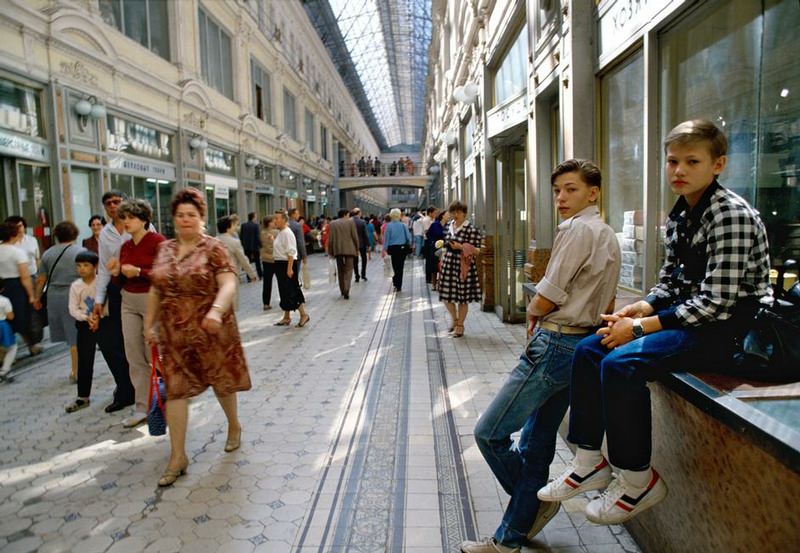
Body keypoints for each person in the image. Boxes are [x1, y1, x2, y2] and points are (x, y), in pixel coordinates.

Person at [538, 120, 772, 525]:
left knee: (622, 363)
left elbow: (716, 303)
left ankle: (637, 479)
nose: (679, 170)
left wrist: (642, 329)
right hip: (692, 321)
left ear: (718, 164)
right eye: (672, 161)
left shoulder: (730, 215)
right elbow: (670, 281)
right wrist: (641, 307)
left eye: (692, 161)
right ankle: (590, 461)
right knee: (591, 347)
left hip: (732, 330)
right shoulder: (683, 213)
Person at [461, 159, 621, 553]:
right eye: (557, 191)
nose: (562, 198)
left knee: (489, 433)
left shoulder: (576, 229)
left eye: (571, 189)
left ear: (593, 192)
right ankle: (512, 536)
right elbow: (608, 300)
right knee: (535, 445)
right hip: (581, 347)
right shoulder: (606, 233)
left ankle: (528, 510)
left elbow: (548, 295)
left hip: (554, 345)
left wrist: (532, 311)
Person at [145, 188, 251, 487]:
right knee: (176, 391)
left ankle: (233, 425)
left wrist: (216, 311)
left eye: (191, 215)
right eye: (180, 215)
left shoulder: (214, 248)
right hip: (174, 334)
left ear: (201, 218)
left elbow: (228, 282)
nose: (185, 220)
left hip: (211, 329)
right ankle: (178, 456)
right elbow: (156, 288)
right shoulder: (165, 249)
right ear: (174, 219)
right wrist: (149, 325)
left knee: (221, 381)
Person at [111, 199, 166, 428]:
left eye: (131, 217)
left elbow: (166, 274)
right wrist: (116, 273)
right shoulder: (125, 247)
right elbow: (119, 281)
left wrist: (140, 271)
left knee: (156, 352)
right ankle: (141, 406)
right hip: (128, 300)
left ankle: (168, 399)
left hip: (152, 299)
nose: (126, 222)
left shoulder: (157, 241)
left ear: (144, 219)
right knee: (134, 354)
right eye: (123, 218)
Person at [91, 190, 136, 413]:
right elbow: (103, 267)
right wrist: (99, 300)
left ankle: (153, 388)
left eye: (117, 201)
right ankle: (125, 390)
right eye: (108, 203)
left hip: (140, 286)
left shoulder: (140, 225)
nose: (113, 205)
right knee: (112, 343)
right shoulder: (105, 233)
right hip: (117, 290)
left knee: (140, 342)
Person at [33, 221, 83, 382]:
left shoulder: (48, 254)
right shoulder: (81, 252)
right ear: (74, 234)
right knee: (75, 334)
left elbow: (41, 280)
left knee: (71, 335)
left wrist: (36, 298)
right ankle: (76, 371)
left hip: (55, 297)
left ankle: (77, 369)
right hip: (76, 294)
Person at [64, 250, 109, 412]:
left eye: (86, 265)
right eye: (78, 266)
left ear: (95, 266)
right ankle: (83, 396)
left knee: (113, 355)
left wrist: (98, 316)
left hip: (103, 322)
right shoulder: (76, 286)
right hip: (84, 325)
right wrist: (86, 317)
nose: (82, 269)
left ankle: (125, 387)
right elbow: (72, 308)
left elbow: (106, 301)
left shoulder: (101, 282)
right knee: (85, 359)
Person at [438, 201, 482, 338]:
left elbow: (477, 251)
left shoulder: (470, 229)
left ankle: (460, 325)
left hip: (463, 264)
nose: (455, 215)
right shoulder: (448, 226)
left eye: (458, 212)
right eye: (453, 212)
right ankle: (455, 320)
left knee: (463, 297)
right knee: (446, 295)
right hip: (449, 262)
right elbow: (446, 242)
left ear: (464, 213)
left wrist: (461, 247)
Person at [0, 222, 36, 357]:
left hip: (1, 286)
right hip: (16, 287)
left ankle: (5, 350)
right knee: (21, 317)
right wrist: (31, 295)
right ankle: (31, 345)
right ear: (14, 234)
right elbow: (25, 277)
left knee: (4, 317)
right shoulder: (18, 252)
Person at [272, 211, 310, 327]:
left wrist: (289, 269)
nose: (275, 221)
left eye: (277, 218)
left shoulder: (287, 233)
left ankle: (304, 314)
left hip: (286, 265)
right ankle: (286, 316)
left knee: (291, 290)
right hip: (280, 264)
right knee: (284, 291)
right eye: (274, 219)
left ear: (284, 219)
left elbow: (291, 252)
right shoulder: (281, 232)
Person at [217, 215, 258, 308]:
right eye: (234, 225)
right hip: (231, 277)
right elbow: (243, 260)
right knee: (231, 305)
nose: (235, 227)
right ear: (228, 227)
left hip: (217, 278)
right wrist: (252, 275)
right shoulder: (234, 242)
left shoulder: (215, 240)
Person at [326, 208, 359, 299]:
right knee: (349, 270)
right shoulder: (350, 222)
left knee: (340, 271)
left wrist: (330, 251)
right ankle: (347, 289)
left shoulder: (333, 223)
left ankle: (342, 290)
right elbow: (354, 236)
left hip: (338, 250)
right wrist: (357, 248)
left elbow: (331, 238)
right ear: (345, 214)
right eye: (348, 214)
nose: (349, 216)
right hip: (349, 250)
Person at [382, 208, 413, 292]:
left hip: (392, 249)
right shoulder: (403, 225)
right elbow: (408, 237)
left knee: (394, 266)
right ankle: (399, 285)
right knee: (400, 266)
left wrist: (385, 249)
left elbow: (386, 239)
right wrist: (409, 244)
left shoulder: (389, 226)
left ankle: (395, 284)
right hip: (401, 248)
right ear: (399, 215)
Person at [260, 215, 279, 310]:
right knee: (281, 281)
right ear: (268, 223)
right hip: (275, 259)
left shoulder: (262, 233)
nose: (274, 222)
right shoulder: (276, 232)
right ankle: (284, 300)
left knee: (267, 282)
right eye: (273, 221)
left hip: (266, 259)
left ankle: (266, 303)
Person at [0, 278, 17, 382]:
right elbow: (10, 316)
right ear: (2, 289)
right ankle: (4, 370)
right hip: (2, 325)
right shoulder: (4, 301)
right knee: (12, 347)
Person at [239, 212, 262, 281]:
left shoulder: (243, 225)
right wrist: (260, 245)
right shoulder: (256, 225)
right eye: (256, 216)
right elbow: (257, 236)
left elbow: (241, 236)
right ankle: (260, 275)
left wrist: (242, 244)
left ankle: (248, 277)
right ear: (253, 217)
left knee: (247, 262)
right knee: (257, 262)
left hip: (246, 246)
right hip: (255, 246)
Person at [425, 209, 444, 287]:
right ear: (442, 216)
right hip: (435, 248)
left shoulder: (449, 225)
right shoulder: (435, 224)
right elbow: (428, 234)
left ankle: (440, 283)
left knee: (442, 266)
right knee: (434, 266)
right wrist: (432, 243)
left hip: (446, 248)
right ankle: (433, 284)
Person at [351, 207, 369, 282]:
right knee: (364, 259)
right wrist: (368, 244)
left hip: (353, 244)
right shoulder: (362, 222)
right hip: (362, 243)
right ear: (359, 213)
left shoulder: (349, 221)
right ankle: (363, 275)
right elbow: (365, 234)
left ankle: (357, 276)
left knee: (355, 260)